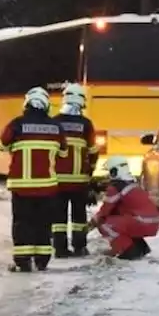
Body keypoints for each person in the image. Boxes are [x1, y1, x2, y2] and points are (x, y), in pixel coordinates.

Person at [0, 87, 65, 272]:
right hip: (47, 187)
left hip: (21, 187)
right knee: (43, 223)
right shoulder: (56, 127)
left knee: (22, 222)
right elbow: (63, 152)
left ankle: (23, 261)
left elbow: (2, 145)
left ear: (27, 104)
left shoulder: (16, 125)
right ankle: (42, 261)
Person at [52, 83, 98, 257]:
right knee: (79, 217)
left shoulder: (55, 122)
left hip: (57, 180)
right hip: (79, 180)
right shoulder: (86, 124)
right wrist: (90, 172)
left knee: (58, 217)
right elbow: (93, 151)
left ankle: (60, 248)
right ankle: (80, 246)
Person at [88, 158, 159, 259]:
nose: (108, 175)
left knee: (105, 224)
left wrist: (92, 223)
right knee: (122, 222)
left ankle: (126, 250)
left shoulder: (116, 188)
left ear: (115, 171)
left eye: (109, 172)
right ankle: (140, 248)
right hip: (151, 221)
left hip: (142, 221)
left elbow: (105, 211)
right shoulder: (132, 184)